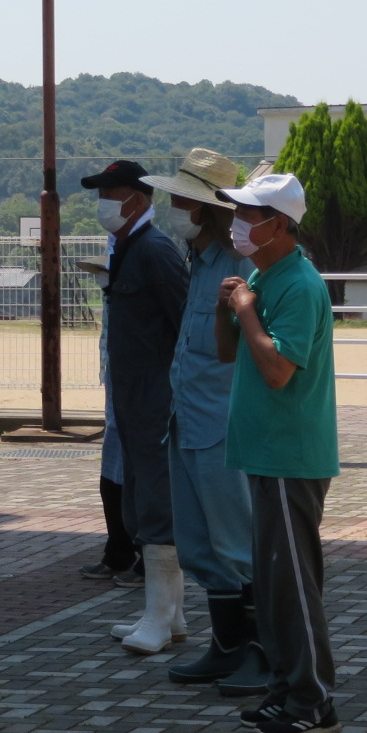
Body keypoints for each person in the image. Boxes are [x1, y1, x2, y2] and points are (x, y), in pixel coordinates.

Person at [215, 170, 342, 733]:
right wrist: (234, 307)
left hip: (291, 456)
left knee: (292, 583)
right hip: (266, 454)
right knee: (272, 585)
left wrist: (245, 307)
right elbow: (226, 353)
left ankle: (313, 702)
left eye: (249, 214)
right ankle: (286, 690)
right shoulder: (267, 280)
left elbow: (277, 370)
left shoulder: (298, 285)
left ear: (280, 224)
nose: (239, 224)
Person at [140, 150, 264, 687]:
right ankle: (225, 647)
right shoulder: (197, 261)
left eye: (182, 200)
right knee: (196, 544)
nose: (173, 208)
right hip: (186, 421)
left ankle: (259, 653)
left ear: (207, 208)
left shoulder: (240, 264)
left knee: (237, 545)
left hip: (222, 426)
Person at [81, 159, 189, 656]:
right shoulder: (127, 248)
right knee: (138, 499)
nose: (104, 203)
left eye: (113, 193)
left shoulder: (155, 250)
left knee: (155, 505)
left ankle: (159, 616)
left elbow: (182, 326)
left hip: (154, 402)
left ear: (139, 200)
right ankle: (172, 613)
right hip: (132, 400)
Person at [75, 255, 140, 587]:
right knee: (112, 475)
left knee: (129, 477)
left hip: (135, 394)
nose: (100, 279)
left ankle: (136, 556)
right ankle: (120, 551)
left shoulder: (135, 300)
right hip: (118, 390)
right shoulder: (114, 301)